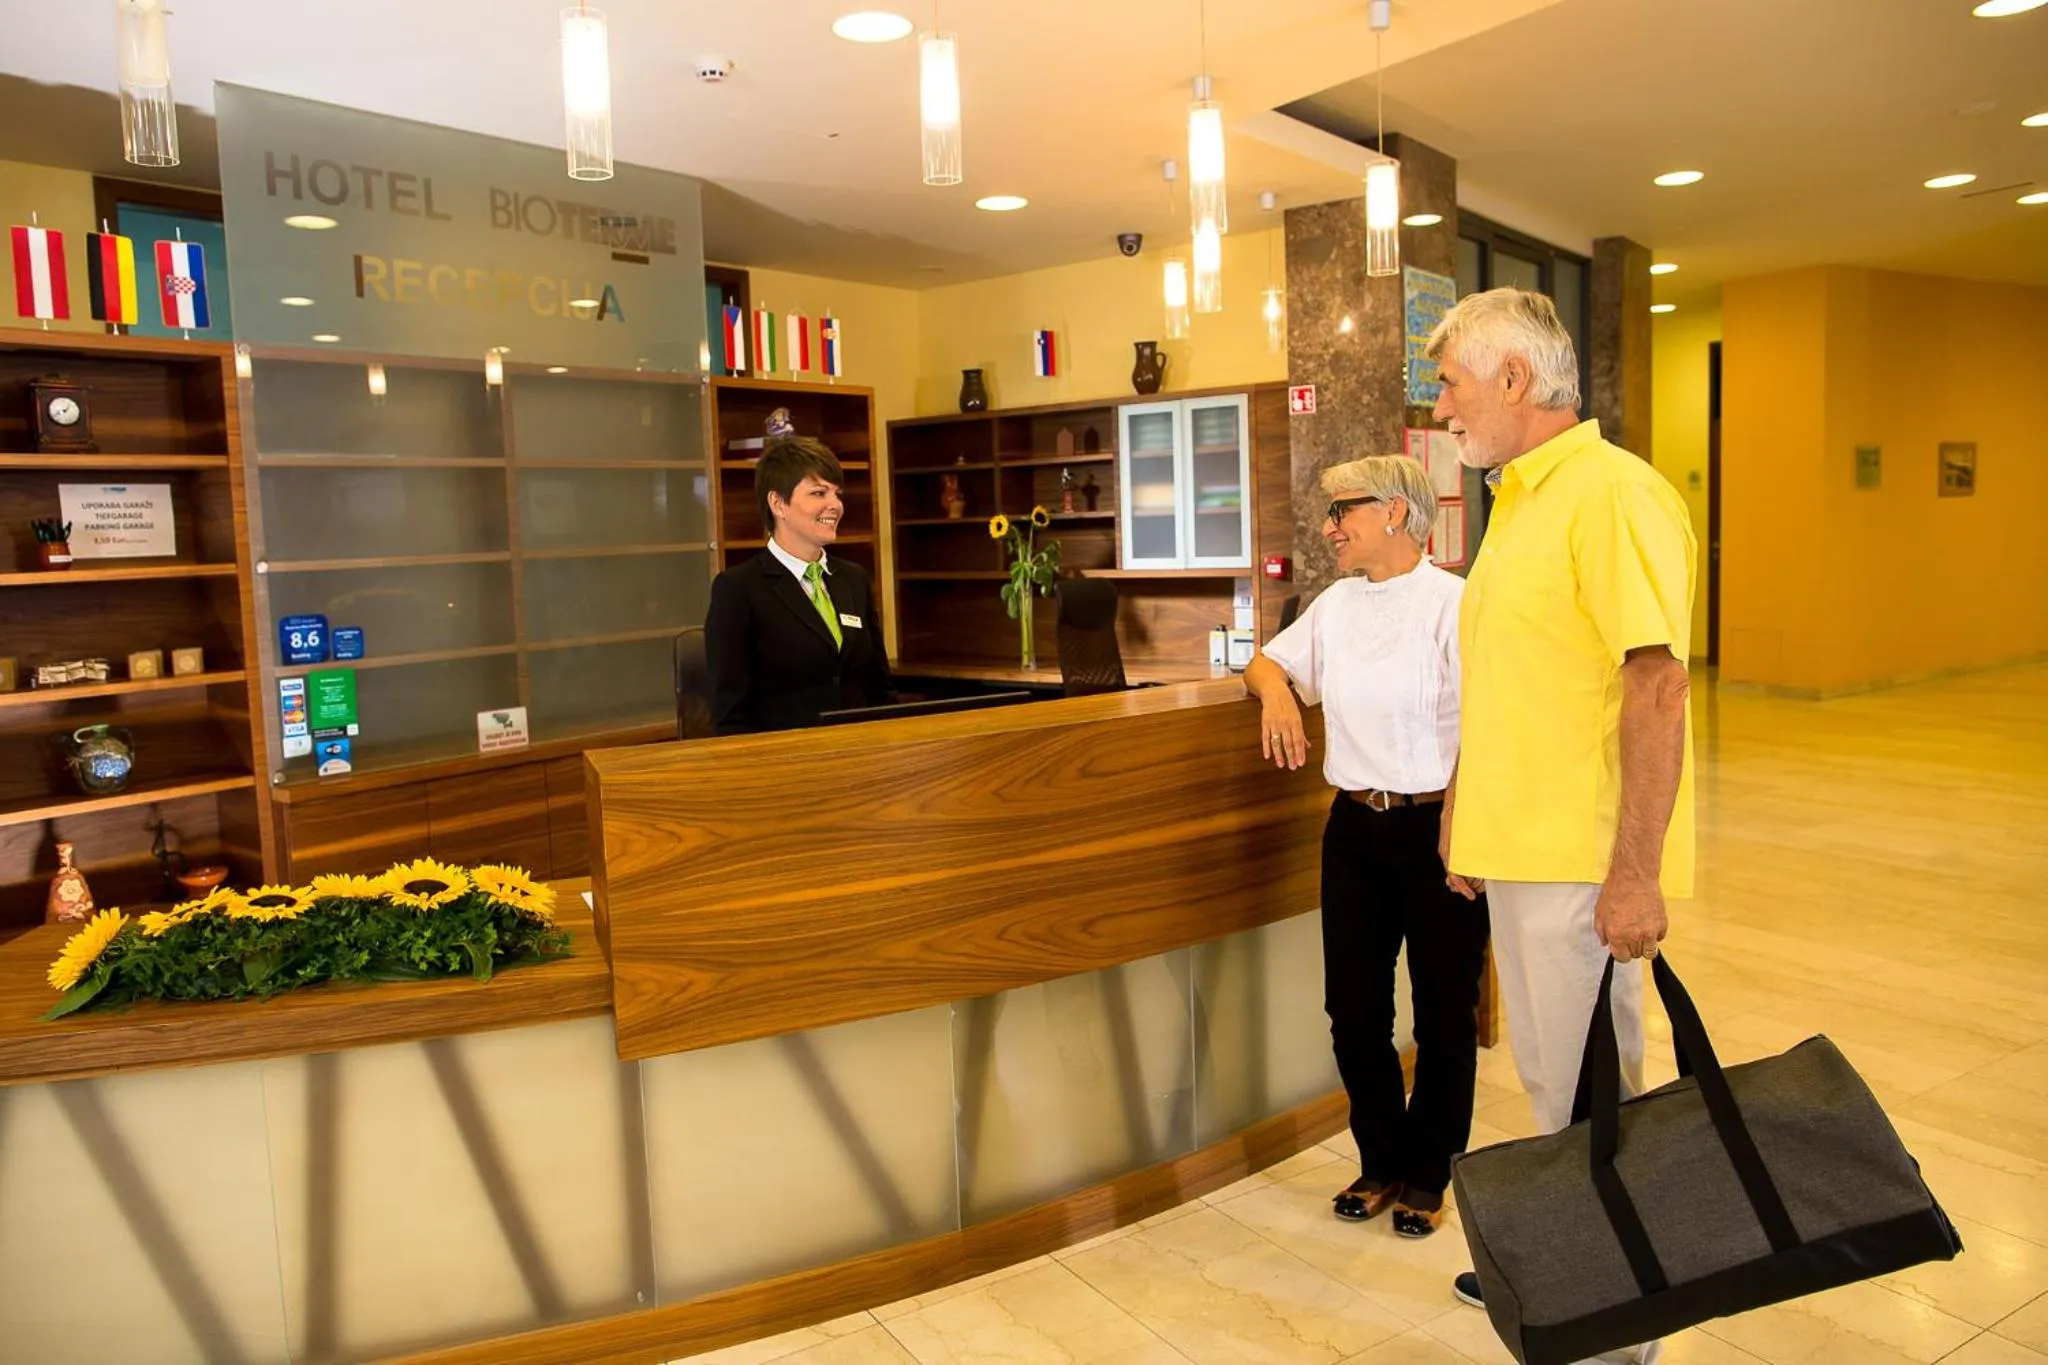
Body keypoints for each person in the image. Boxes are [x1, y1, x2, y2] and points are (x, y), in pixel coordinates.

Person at [1428, 288, 1695, 1362]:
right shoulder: (1521, 501)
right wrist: (1463, 812)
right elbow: (1515, 680)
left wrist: (1633, 873)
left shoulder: (1609, 494)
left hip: (1577, 865)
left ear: (1511, 380)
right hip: (1518, 850)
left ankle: (1614, 1331)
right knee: (1554, 1088)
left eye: (1448, 382)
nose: (1438, 404)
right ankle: (1571, 1267)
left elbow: (1654, 686)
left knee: (1595, 1103)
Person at [1245, 455, 1489, 1240]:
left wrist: (1466, 823)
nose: (1328, 529)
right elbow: (1263, 662)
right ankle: (1379, 1158)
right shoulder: (1337, 604)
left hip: (1439, 827)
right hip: (1352, 829)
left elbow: (1491, 724)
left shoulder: (1458, 604)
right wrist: (1277, 688)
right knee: (1353, 1010)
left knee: (1446, 1013)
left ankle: (1431, 1169)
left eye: (1341, 512)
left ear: (1393, 511)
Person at [705, 436, 895, 733]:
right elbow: (730, 717)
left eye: (836, 494)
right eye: (819, 493)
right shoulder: (738, 589)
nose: (835, 505)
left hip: (860, 758)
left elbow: (878, 688)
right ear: (777, 503)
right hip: (785, 766)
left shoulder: (854, 579)